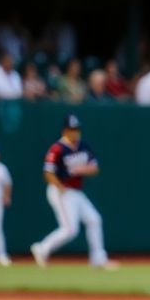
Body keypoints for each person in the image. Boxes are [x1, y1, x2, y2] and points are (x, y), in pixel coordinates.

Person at [30, 115, 117, 269]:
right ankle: (42, 248)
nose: (75, 133)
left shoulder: (83, 146)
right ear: (65, 131)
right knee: (70, 230)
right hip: (61, 191)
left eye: (77, 129)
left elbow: (95, 168)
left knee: (94, 219)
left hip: (76, 191)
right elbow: (48, 172)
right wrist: (59, 186)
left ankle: (98, 258)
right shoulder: (57, 148)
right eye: (72, 130)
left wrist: (82, 169)